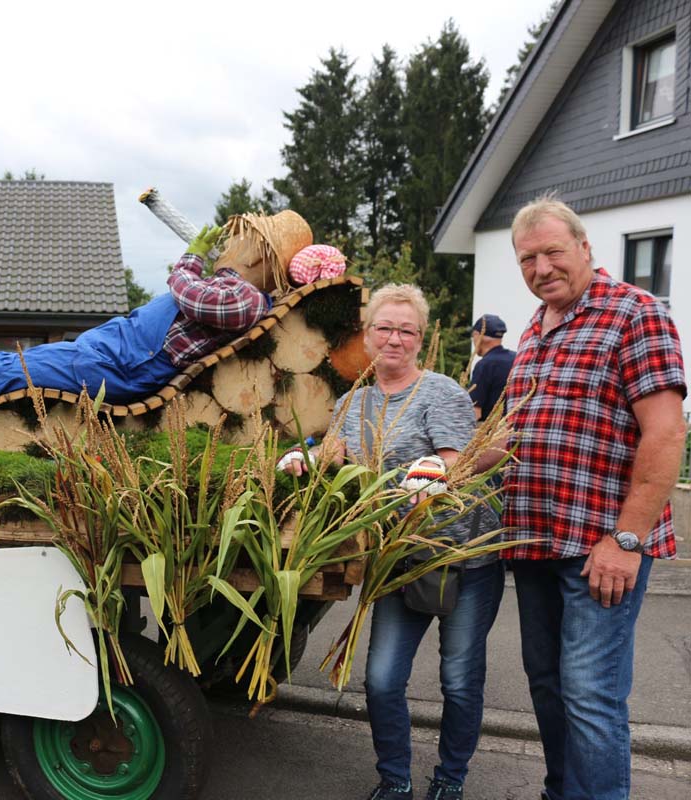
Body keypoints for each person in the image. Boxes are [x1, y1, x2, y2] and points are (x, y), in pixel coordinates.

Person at [282, 284, 503, 800]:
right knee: (381, 680)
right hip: (396, 561)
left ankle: (449, 781)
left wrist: (429, 472)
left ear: (420, 339)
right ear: (367, 334)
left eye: (407, 330)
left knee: (460, 681)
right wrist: (303, 460)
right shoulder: (353, 400)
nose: (394, 338)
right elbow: (333, 456)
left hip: (459, 560)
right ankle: (395, 779)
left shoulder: (441, 392)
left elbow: (457, 461)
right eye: (385, 327)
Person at [499, 197, 685, 800]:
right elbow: (516, 433)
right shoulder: (534, 328)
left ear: (584, 247)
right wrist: (444, 468)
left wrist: (627, 540)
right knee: (549, 686)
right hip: (534, 540)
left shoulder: (635, 312)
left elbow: (666, 431)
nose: (542, 267)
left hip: (602, 546)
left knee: (589, 693)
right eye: (528, 258)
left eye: (553, 251)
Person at [0, 211, 313, 419]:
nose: (228, 241)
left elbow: (189, 295)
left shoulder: (246, 299)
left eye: (238, 236)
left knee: (6, 376)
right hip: (109, 351)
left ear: (258, 251)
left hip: (121, 365)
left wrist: (191, 257)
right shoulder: (227, 285)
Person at [467, 314, 515, 420]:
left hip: (491, 433)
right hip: (516, 431)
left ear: (477, 335)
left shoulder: (484, 365)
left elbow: (475, 413)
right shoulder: (517, 358)